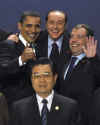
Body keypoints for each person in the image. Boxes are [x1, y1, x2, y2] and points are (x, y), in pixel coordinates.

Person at [9, 57, 79, 125]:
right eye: (37, 76)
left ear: (55, 78)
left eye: (46, 75)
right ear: (31, 79)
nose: (42, 80)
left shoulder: (70, 107)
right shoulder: (19, 108)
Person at [58, 24, 100, 125]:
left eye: (79, 37)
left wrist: (93, 59)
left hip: (83, 120)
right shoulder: (63, 59)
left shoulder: (93, 63)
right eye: (72, 36)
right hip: (61, 118)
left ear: (89, 40)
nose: (73, 40)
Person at [0, 11, 41, 104]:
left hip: (37, 107)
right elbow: (2, 70)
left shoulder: (40, 47)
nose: (33, 30)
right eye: (29, 26)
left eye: (37, 26)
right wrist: (21, 60)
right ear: (19, 26)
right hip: (15, 107)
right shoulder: (9, 45)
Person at [37, 10, 70, 76]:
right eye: (51, 22)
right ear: (46, 24)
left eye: (59, 23)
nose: (55, 27)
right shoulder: (36, 39)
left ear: (65, 25)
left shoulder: (73, 42)